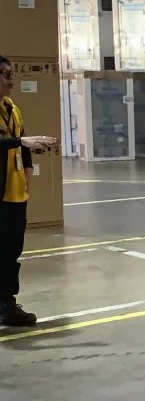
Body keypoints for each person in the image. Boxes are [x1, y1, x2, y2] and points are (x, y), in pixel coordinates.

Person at [0, 55, 57, 326]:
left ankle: (6, 304)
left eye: (11, 73)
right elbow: (16, 141)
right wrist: (21, 141)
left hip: (15, 194)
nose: (11, 79)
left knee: (11, 252)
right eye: (5, 74)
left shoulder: (13, 108)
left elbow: (22, 144)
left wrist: (29, 172)